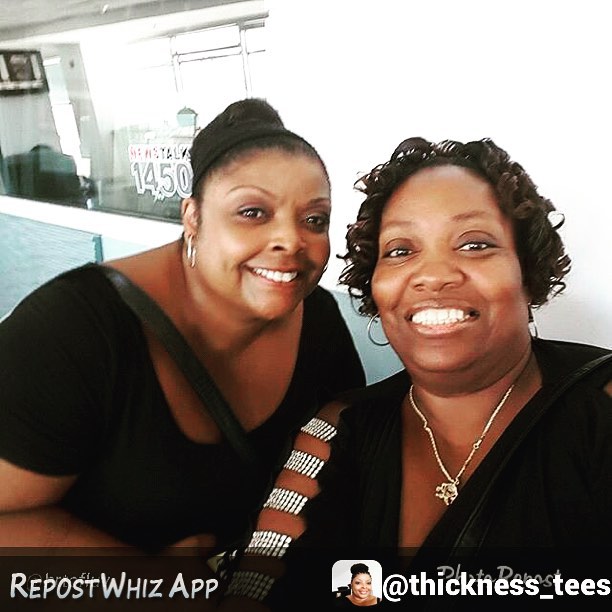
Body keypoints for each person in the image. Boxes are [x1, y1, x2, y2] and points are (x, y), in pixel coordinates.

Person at [219, 136, 612, 610]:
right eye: (401, 250)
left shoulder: (600, 404)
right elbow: (260, 580)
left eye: (474, 244)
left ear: (527, 274)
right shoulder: (337, 430)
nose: (434, 275)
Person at [0, 99, 365, 562]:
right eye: (253, 212)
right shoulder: (72, 332)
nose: (291, 240)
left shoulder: (318, 320)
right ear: (192, 217)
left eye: (314, 219)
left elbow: (346, 454)